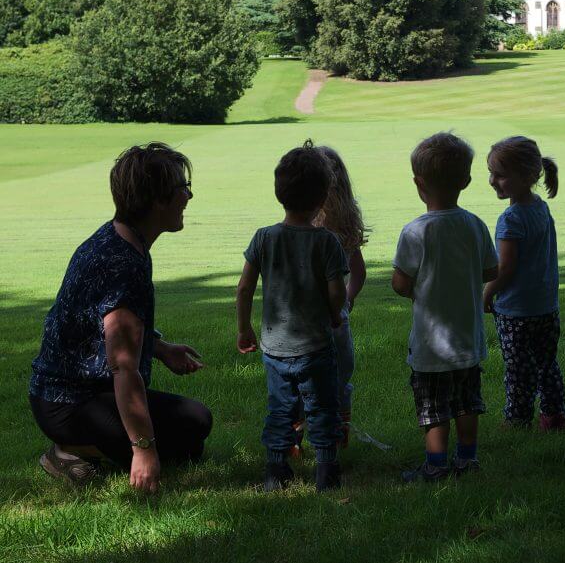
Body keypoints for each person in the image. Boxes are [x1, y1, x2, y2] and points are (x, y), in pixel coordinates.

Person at [29, 142, 212, 493]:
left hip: (63, 396)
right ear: (157, 200)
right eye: (182, 188)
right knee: (189, 432)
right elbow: (123, 366)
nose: (188, 196)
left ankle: (89, 445)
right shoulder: (123, 264)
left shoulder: (117, 239)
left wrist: (162, 349)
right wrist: (144, 450)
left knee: (193, 431)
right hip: (69, 403)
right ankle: (68, 450)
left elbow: (101, 325)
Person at [236, 141, 348, 492]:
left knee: (280, 408)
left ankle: (276, 471)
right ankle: (326, 473)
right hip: (316, 346)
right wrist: (335, 315)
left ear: (279, 192)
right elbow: (336, 291)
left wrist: (244, 328)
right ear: (323, 197)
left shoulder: (263, 238)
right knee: (322, 407)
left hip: (274, 348)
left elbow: (244, 289)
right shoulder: (327, 242)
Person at [392, 132, 498, 482]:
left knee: (434, 407)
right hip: (467, 337)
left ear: (418, 184)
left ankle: (435, 465)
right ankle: (467, 460)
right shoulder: (474, 225)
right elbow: (491, 271)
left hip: (430, 344)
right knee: (467, 402)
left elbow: (400, 283)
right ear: (466, 181)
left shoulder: (415, 231)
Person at [483, 136, 565, 431]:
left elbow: (505, 268)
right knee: (546, 364)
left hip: (516, 311)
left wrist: (487, 293)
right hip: (546, 307)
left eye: (500, 175)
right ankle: (554, 416)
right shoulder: (540, 208)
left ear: (527, 176)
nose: (493, 180)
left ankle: (517, 420)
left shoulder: (511, 218)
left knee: (519, 369)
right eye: (491, 173)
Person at [290, 145, 369, 456]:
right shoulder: (343, 225)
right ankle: (335, 434)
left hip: (307, 322)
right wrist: (346, 300)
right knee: (338, 378)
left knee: (299, 377)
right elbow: (358, 273)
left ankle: (296, 439)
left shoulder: (304, 226)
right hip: (336, 321)